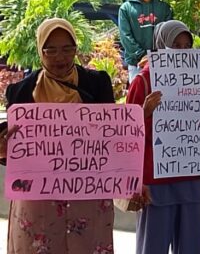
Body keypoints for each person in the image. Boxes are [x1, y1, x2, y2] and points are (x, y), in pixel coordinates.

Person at [0, 18, 116, 253]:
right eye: (50, 50)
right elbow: (17, 153)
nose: (59, 57)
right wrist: (3, 152)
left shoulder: (97, 84)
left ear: (76, 49)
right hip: (38, 202)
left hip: (87, 196)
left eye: (67, 49)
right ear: (40, 50)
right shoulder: (20, 92)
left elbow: (113, 137)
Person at [126, 20, 200, 254]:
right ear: (161, 46)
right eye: (175, 45)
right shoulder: (143, 81)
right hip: (155, 181)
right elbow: (127, 134)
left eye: (186, 45)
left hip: (189, 174)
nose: (181, 51)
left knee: (192, 246)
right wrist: (144, 112)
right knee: (153, 245)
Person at [119, 0, 173, 82]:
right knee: (138, 98)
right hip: (137, 63)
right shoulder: (126, 8)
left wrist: (157, 56)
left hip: (161, 62)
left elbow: (170, 35)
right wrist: (142, 56)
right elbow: (125, 36)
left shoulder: (164, 7)